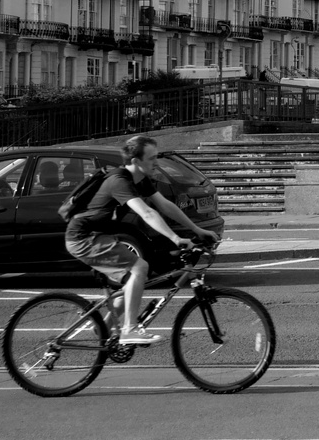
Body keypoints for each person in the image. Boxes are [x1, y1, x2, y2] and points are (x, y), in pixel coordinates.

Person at [63, 135, 218, 345]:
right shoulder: (119, 181)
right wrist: (175, 238)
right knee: (140, 267)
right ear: (136, 161)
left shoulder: (140, 179)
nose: (157, 162)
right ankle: (130, 329)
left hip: (99, 236)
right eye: (152, 157)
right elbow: (146, 213)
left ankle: (103, 329)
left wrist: (196, 230)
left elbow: (164, 205)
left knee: (134, 283)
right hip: (83, 238)